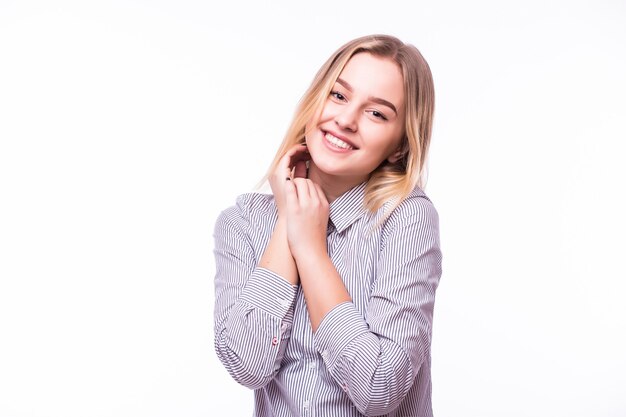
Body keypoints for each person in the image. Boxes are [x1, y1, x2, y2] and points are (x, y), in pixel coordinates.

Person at [213, 34, 442, 417]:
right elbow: (247, 365)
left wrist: (311, 249)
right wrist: (289, 219)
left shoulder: (407, 219)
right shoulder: (243, 222)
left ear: (400, 145)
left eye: (377, 113)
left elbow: (378, 387)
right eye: (338, 95)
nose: (346, 120)